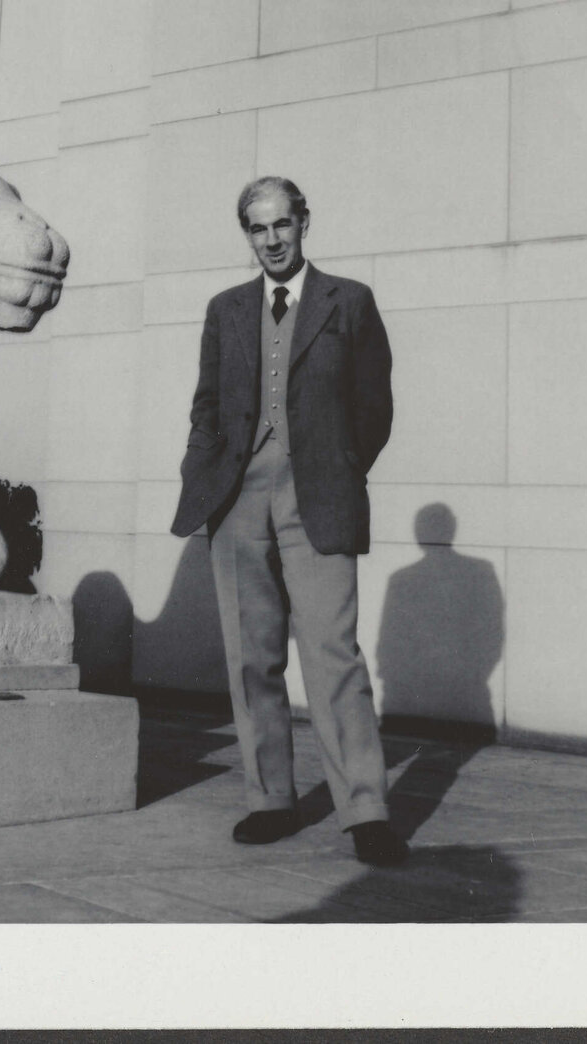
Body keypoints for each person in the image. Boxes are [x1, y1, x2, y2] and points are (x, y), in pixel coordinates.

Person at [171, 176, 408, 867]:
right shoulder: (226, 310)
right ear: (245, 234)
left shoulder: (349, 302)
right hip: (235, 494)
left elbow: (374, 407)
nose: (270, 240)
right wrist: (203, 473)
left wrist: (336, 466)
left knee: (333, 653)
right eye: (256, 228)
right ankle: (269, 797)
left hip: (318, 495)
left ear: (303, 223)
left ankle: (363, 809)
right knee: (252, 655)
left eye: (281, 225)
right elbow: (206, 406)